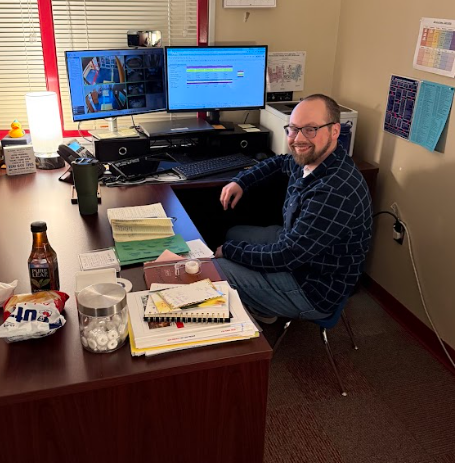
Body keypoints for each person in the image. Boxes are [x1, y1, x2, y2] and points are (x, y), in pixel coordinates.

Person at [215, 94, 373, 323]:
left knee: (219, 268)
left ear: (335, 131)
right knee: (233, 233)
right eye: (293, 129)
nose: (298, 139)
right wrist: (242, 180)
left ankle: (265, 302)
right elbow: (280, 162)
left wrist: (229, 252)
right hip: (299, 252)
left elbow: (286, 256)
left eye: (310, 129)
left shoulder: (335, 190)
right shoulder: (315, 158)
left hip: (312, 289)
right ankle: (262, 304)